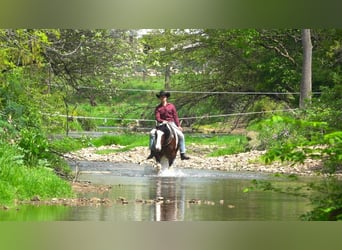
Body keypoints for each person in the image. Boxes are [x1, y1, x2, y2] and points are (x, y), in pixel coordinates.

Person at [147, 90, 190, 160]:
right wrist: (163, 121)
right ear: (160, 98)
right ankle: (152, 152)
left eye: (164, 97)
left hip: (171, 123)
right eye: (161, 97)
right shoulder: (158, 108)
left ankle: (182, 153)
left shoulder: (171, 106)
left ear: (166, 97)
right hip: (161, 124)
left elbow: (175, 116)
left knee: (181, 135)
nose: (162, 98)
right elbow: (157, 117)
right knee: (151, 133)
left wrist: (178, 125)